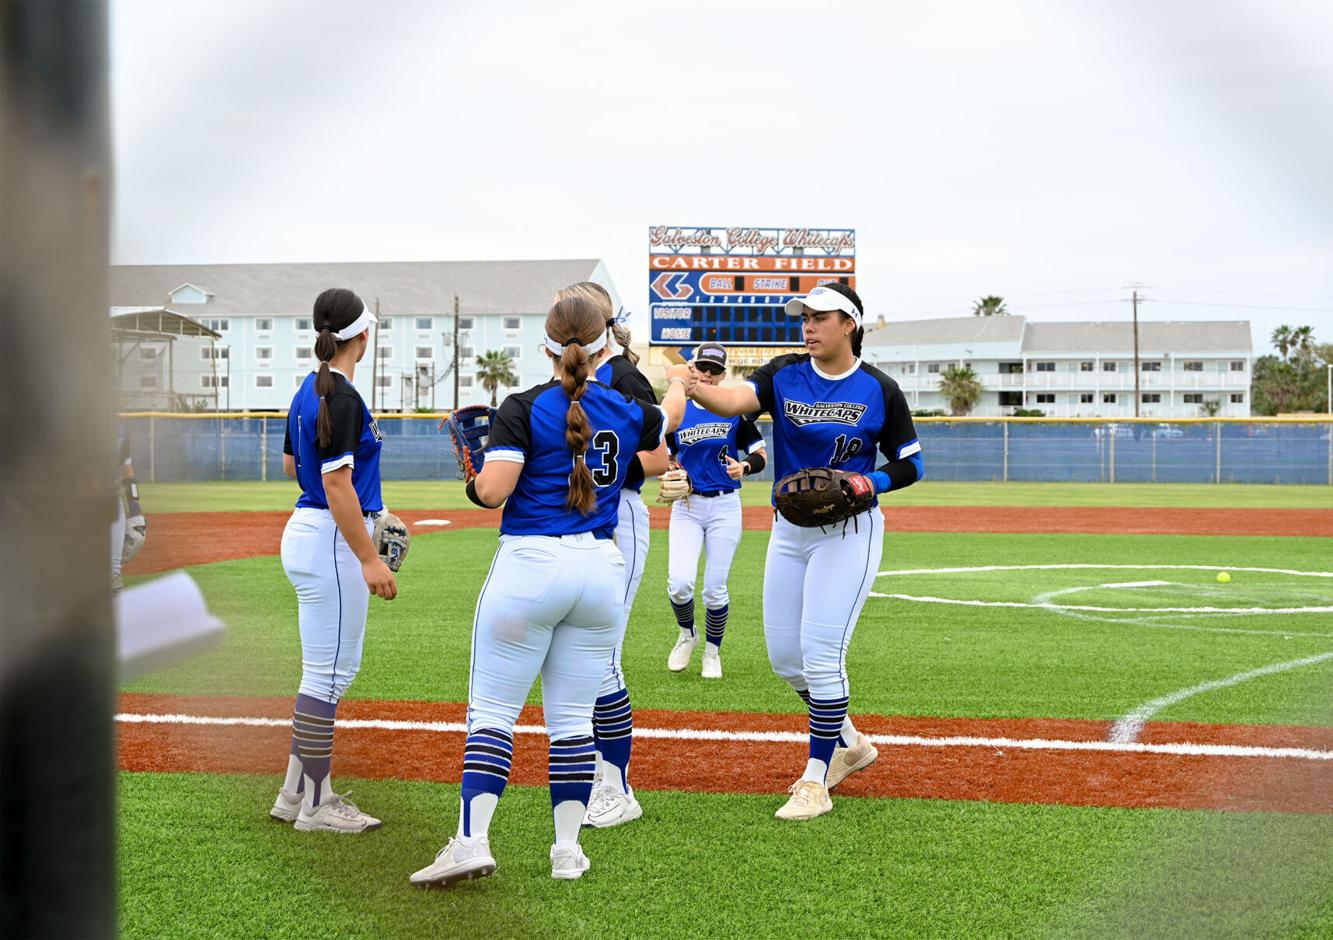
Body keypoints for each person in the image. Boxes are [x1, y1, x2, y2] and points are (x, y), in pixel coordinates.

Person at [409, 294, 688, 887]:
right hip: (600, 568)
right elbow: (665, 437)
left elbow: (493, 493)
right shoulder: (626, 405)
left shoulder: (523, 405)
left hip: (531, 564)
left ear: (548, 345)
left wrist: (472, 474)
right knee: (571, 722)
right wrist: (679, 381)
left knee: (492, 715)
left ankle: (471, 841)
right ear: (605, 344)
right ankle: (566, 851)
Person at [684, 283, 923, 820]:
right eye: (804, 317)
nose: (808, 326)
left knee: (820, 656)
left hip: (850, 532)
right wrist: (699, 389)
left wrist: (871, 484)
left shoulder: (879, 389)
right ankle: (852, 744)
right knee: (786, 660)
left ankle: (815, 779)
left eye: (820, 317)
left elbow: (911, 464)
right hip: (789, 530)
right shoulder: (783, 373)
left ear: (850, 325)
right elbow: (736, 400)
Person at [269, 287, 397, 834]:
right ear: (361, 337)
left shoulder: (309, 389)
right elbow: (335, 483)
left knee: (321, 673)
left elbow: (288, 466)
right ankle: (317, 804)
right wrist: (369, 555)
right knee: (331, 675)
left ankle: (295, 790)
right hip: (332, 538)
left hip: (309, 531)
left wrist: (378, 512)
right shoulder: (340, 395)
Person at [555, 282, 658, 830]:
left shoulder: (621, 375)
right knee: (584, 657)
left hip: (618, 516)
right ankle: (602, 777)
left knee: (603, 656)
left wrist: (609, 474)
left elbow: (661, 453)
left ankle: (616, 785)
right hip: (581, 522)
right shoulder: (570, 380)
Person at [660, 343, 767, 679]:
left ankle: (712, 652)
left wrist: (745, 467)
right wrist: (669, 467)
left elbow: (759, 454)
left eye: (714, 370)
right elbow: (664, 454)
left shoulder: (734, 411)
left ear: (723, 375)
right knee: (679, 583)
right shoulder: (677, 411)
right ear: (691, 371)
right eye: (701, 368)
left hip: (724, 506)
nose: (706, 374)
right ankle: (687, 634)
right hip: (687, 506)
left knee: (714, 588)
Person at [110, 425, 146, 592]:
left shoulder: (120, 429)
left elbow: (127, 472)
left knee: (113, 573)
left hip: (110, 499)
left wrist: (135, 509)